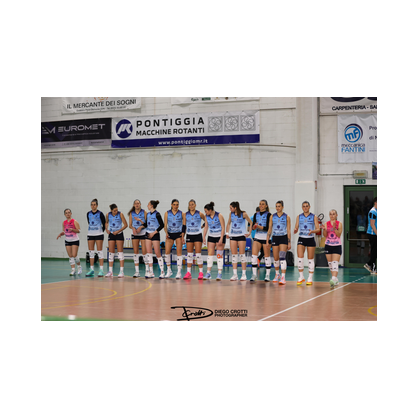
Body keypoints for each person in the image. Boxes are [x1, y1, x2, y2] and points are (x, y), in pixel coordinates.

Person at [294, 201, 320, 285]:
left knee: (310, 259)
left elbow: (318, 229)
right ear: (302, 207)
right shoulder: (299, 216)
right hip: (301, 238)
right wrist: (295, 229)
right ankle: (301, 276)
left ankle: (310, 278)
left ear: (309, 207)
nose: (305, 207)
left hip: (310, 238)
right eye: (304, 206)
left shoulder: (314, 216)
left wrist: (312, 231)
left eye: (306, 206)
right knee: (300, 258)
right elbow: (296, 227)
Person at [226, 201, 252, 281]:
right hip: (233, 236)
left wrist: (249, 233)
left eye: (231, 208)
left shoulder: (243, 214)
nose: (230, 209)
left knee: (242, 255)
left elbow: (251, 222)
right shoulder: (231, 214)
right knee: (234, 256)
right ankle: (235, 275)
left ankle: (244, 274)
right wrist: (227, 233)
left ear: (235, 208)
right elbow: (228, 223)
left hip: (241, 236)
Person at [268, 200, 291, 285]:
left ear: (282, 207)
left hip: (283, 237)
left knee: (282, 257)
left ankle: (283, 277)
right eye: (276, 206)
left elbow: (288, 230)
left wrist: (289, 242)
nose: (277, 208)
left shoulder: (287, 217)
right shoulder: (272, 216)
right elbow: (270, 229)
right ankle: (277, 274)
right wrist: (267, 239)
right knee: (276, 258)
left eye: (279, 206)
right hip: (275, 237)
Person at [183, 199, 206, 280]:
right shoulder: (185, 214)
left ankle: (201, 272)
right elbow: (184, 226)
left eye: (192, 204)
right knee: (189, 255)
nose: (191, 206)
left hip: (197, 235)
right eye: (190, 205)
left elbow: (207, 220)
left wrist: (202, 226)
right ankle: (188, 273)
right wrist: (182, 237)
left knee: (198, 255)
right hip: (189, 235)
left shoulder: (199, 213)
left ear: (195, 205)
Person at [203, 202, 226, 281]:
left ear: (210, 210)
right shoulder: (206, 216)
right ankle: (208, 273)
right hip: (211, 236)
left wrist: (221, 238)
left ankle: (219, 273)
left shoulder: (219, 215)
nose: (205, 212)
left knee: (219, 256)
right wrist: (204, 237)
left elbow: (223, 228)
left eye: (206, 211)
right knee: (210, 255)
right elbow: (206, 227)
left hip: (220, 236)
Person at [251, 200, 272, 282]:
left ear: (266, 206)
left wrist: (258, 226)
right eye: (260, 204)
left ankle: (267, 275)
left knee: (267, 256)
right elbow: (253, 226)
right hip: (257, 236)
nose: (261, 205)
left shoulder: (269, 215)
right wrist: (254, 227)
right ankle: (254, 275)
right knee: (254, 256)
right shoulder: (256, 214)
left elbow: (267, 228)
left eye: (263, 204)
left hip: (266, 237)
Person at [56, 208, 82, 276]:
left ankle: (79, 267)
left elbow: (79, 231)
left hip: (75, 240)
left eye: (69, 212)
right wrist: (61, 234)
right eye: (66, 213)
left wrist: (73, 229)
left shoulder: (74, 221)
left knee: (74, 255)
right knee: (70, 256)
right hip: (67, 240)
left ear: (71, 213)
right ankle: (73, 270)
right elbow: (64, 231)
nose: (68, 214)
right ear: (64, 214)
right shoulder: (64, 222)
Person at [105, 204, 128, 278]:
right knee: (111, 253)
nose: (116, 211)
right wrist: (106, 229)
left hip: (119, 234)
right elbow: (106, 222)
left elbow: (126, 225)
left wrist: (118, 231)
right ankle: (110, 271)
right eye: (114, 210)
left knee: (120, 253)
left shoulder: (120, 214)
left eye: (117, 210)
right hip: (111, 234)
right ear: (111, 210)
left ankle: (121, 271)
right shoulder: (108, 214)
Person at [321, 209, 343, 288]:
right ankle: (335, 279)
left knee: (334, 263)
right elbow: (325, 235)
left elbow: (339, 235)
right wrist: (324, 230)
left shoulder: (339, 223)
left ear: (336, 215)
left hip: (337, 245)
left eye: (333, 214)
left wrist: (334, 228)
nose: (332, 215)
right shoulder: (326, 224)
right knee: (330, 264)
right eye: (330, 214)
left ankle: (333, 279)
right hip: (328, 245)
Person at [164, 199, 184, 279]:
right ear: (171, 205)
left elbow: (184, 225)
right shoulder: (167, 213)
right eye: (174, 204)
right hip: (170, 234)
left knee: (179, 252)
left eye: (177, 204)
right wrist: (166, 233)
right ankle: (169, 270)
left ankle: (179, 272)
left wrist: (183, 235)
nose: (176, 206)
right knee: (167, 252)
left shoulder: (182, 213)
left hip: (178, 234)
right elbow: (165, 225)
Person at [144, 200, 165, 279]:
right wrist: (140, 221)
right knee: (149, 253)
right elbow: (146, 224)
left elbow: (162, 225)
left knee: (157, 253)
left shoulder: (157, 214)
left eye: (148, 204)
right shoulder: (148, 214)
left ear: (151, 206)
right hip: (148, 234)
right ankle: (151, 272)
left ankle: (162, 272)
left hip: (155, 234)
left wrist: (154, 233)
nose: (147, 206)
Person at [86, 198, 106, 277]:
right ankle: (91, 270)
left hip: (99, 234)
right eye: (92, 205)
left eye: (94, 205)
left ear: (97, 205)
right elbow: (89, 222)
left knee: (99, 251)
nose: (93, 206)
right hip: (90, 234)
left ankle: (101, 270)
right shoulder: (88, 213)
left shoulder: (100, 213)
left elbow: (104, 223)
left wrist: (100, 231)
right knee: (91, 252)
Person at [128, 199, 147, 278]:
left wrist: (141, 227)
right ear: (133, 205)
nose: (137, 204)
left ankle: (147, 271)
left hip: (143, 233)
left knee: (144, 251)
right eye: (135, 203)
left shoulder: (144, 212)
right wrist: (133, 228)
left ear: (140, 204)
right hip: (135, 233)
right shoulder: (131, 213)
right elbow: (130, 225)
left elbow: (146, 224)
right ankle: (137, 271)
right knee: (135, 252)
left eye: (138, 203)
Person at [364, 197, 377, 274]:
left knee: (375, 251)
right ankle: (372, 268)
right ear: (375, 202)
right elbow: (372, 224)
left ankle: (369, 264)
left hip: (374, 233)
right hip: (372, 234)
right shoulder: (373, 212)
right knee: (374, 251)